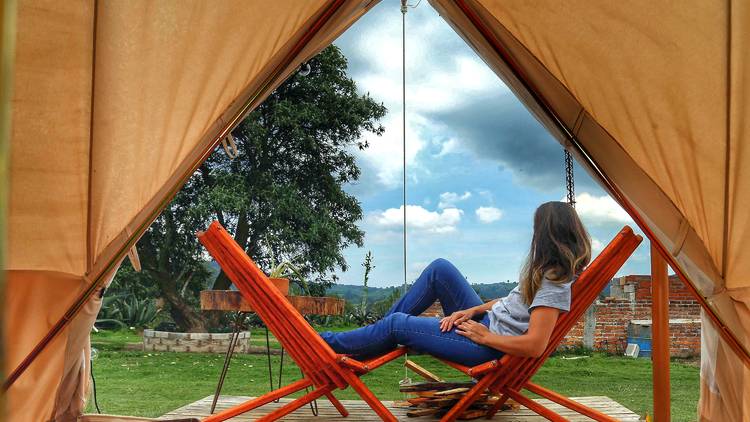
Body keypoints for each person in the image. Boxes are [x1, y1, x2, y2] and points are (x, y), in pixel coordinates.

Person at [320, 201, 591, 367]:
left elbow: (535, 345)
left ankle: (326, 343)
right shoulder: (548, 273)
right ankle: (374, 338)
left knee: (396, 324)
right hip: (485, 324)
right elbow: (513, 304)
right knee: (440, 269)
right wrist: (473, 311)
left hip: (485, 346)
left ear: (545, 235)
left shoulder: (554, 284)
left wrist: (485, 336)